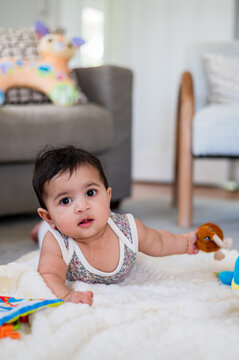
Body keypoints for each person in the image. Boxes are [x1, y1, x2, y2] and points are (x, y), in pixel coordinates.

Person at [32, 145, 199, 306]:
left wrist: (186, 242)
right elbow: (49, 274)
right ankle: (41, 228)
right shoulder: (56, 242)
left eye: (90, 193)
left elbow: (160, 241)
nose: (82, 207)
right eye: (66, 201)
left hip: (69, 224)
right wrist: (66, 296)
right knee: (44, 237)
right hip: (55, 231)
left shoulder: (128, 229)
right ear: (49, 217)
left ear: (108, 195)